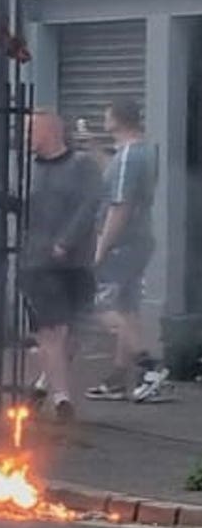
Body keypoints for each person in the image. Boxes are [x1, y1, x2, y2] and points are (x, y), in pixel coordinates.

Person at [87, 100, 172, 402]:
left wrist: (101, 248)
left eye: (106, 115)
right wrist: (94, 147)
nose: (103, 118)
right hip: (139, 241)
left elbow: (119, 207)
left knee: (101, 307)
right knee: (127, 308)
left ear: (117, 120)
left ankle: (150, 366)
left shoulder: (128, 157)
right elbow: (115, 174)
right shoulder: (143, 152)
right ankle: (118, 378)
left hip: (122, 243)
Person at [23, 108, 103, 421]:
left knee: (75, 333)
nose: (26, 135)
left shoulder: (82, 166)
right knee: (51, 330)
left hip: (76, 263)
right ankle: (61, 398)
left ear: (52, 130)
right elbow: (15, 203)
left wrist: (66, 242)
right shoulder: (27, 170)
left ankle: (44, 383)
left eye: (32, 129)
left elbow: (89, 204)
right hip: (38, 265)